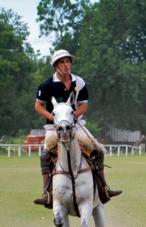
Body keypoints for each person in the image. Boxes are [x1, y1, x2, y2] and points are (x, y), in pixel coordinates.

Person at [33, 49, 122, 206]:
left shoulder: (79, 82)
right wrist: (52, 117)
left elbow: (83, 106)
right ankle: (47, 193)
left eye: (68, 61)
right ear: (56, 66)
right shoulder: (47, 85)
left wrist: (72, 117)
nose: (66, 65)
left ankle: (103, 189)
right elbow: (38, 106)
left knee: (98, 150)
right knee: (45, 155)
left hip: (76, 125)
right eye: (62, 62)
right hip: (54, 128)